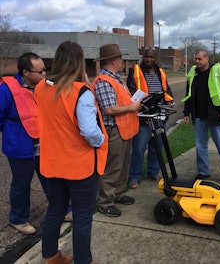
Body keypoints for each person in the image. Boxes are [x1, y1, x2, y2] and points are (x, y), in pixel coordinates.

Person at [34, 41, 108, 264]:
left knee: (55, 211)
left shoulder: (40, 88)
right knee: (83, 217)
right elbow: (89, 130)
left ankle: (51, 256)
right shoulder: (80, 92)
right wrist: (101, 139)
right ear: (79, 62)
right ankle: (83, 260)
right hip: (80, 167)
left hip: (52, 163)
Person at [0, 52, 48, 235]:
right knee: (21, 184)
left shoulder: (43, 86)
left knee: (51, 180)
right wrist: (14, 132)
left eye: (45, 70)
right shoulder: (6, 90)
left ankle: (62, 210)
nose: (44, 74)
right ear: (26, 72)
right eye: (40, 71)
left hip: (44, 144)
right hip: (20, 147)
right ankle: (18, 219)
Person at [92, 43, 142, 218]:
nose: (122, 61)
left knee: (123, 165)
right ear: (113, 60)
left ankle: (118, 194)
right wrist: (132, 107)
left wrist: (132, 105)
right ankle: (106, 202)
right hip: (113, 131)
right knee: (112, 168)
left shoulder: (115, 79)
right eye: (120, 58)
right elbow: (109, 109)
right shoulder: (104, 81)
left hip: (123, 129)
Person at [182, 49, 220, 183]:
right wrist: (186, 112)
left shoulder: (216, 72)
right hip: (199, 117)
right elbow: (188, 95)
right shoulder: (193, 74)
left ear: (206, 59)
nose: (197, 61)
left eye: (199, 59)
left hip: (215, 116)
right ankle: (204, 172)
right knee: (200, 146)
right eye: (196, 59)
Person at [126, 47, 173, 189]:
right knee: (139, 149)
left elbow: (167, 90)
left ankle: (153, 172)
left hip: (159, 116)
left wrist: (169, 100)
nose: (149, 59)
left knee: (157, 147)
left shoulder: (161, 72)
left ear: (155, 58)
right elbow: (131, 91)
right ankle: (134, 177)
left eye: (152, 57)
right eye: (147, 57)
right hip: (143, 117)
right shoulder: (135, 72)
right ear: (143, 57)